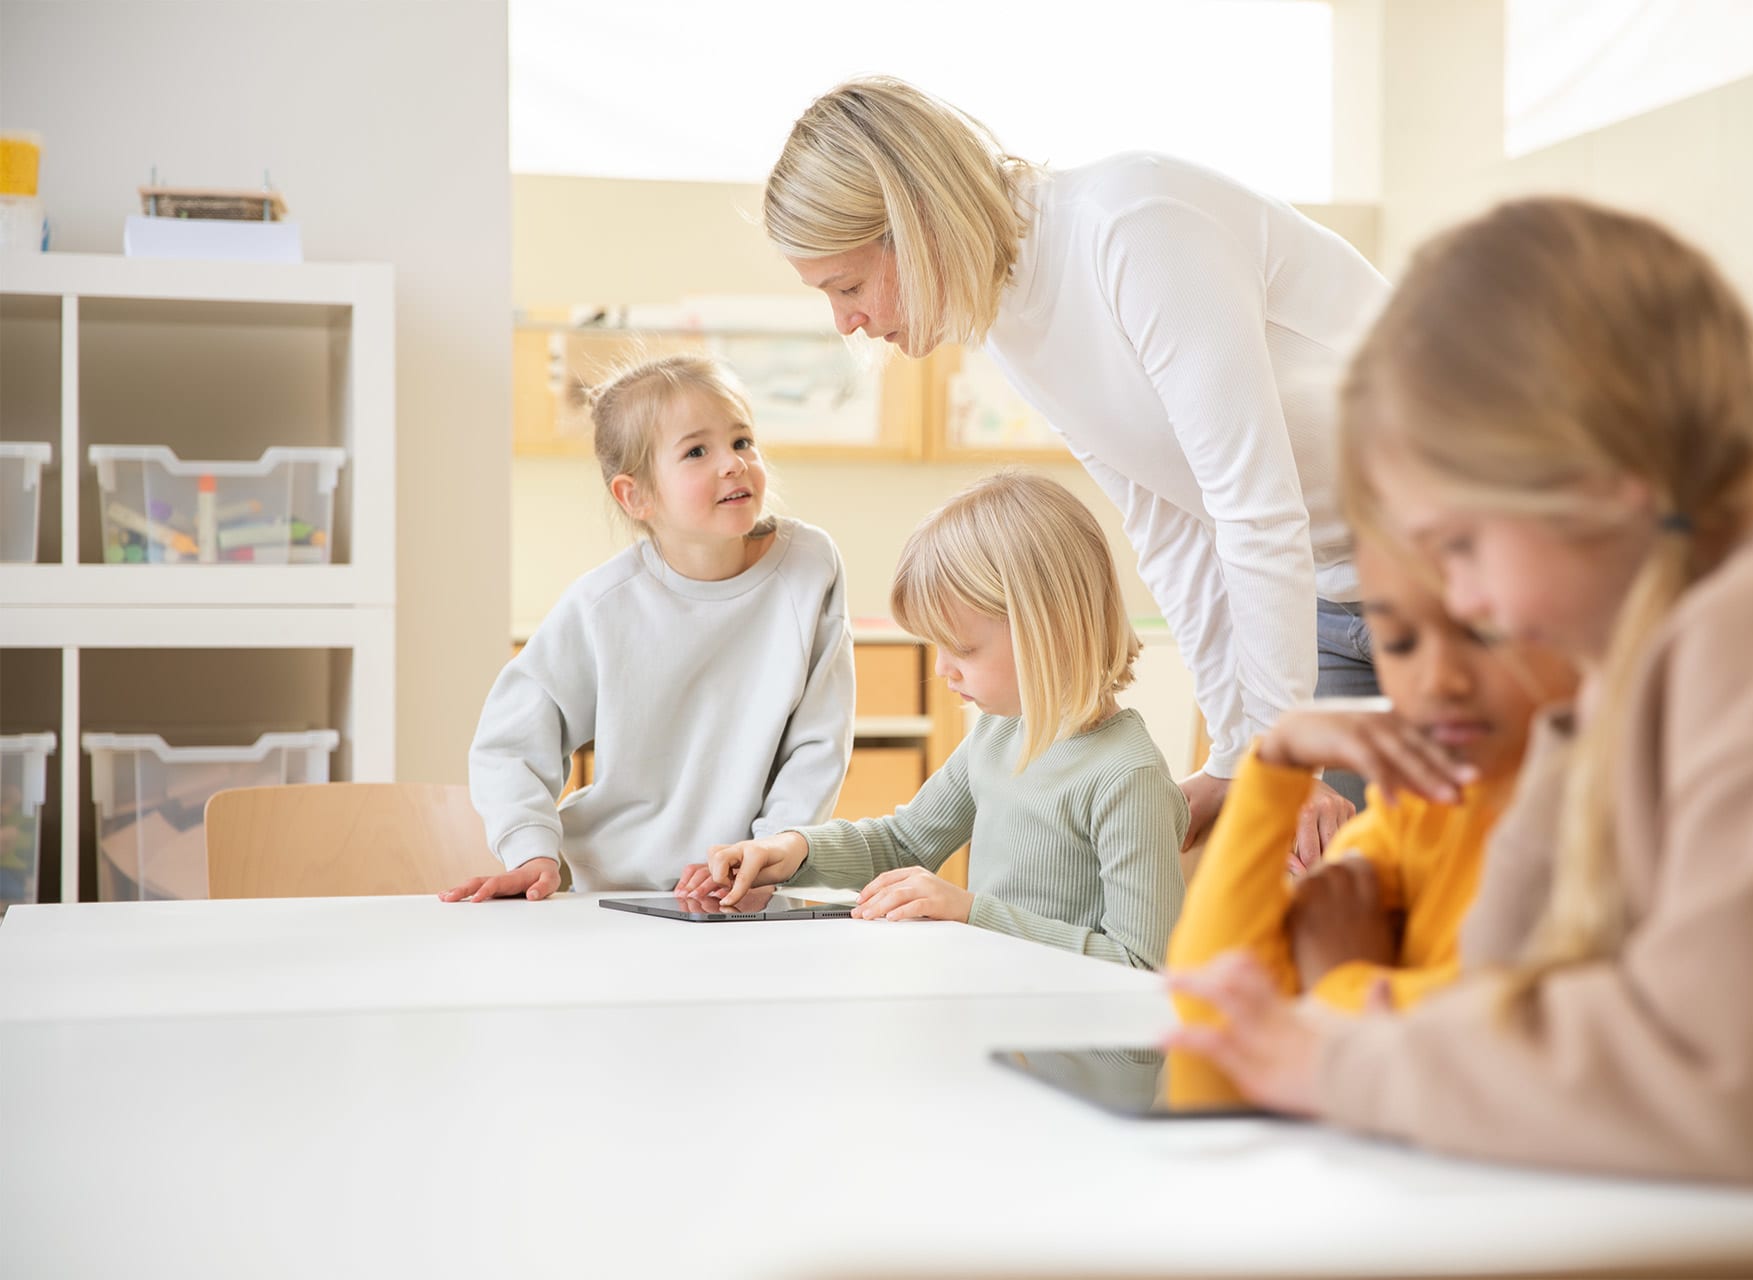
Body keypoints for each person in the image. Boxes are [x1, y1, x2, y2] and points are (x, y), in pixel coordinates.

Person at [1167, 196, 1753, 1182]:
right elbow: (1512, 972)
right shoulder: (1647, 667)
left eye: (1464, 546)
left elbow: (1733, 1078)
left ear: (1609, 479)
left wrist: (1344, 1048)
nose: (1468, 596)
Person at [763, 76, 1391, 866]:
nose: (845, 321)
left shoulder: (1134, 226)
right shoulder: (1006, 322)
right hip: (1336, 599)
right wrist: (1238, 753)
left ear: (918, 223)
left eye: (847, 286)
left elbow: (1253, 508)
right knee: (1324, 900)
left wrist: (1276, 758)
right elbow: (1170, 526)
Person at [698, 471, 1187, 968]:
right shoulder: (999, 735)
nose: (941, 668)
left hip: (1070, 1042)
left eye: (962, 648)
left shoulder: (1127, 778)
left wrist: (972, 914)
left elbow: (1143, 967)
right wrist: (795, 850)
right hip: (999, 1018)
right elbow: (905, 841)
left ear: (1048, 630)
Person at [1164, 534, 1577, 1103]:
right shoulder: (1418, 810)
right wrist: (1276, 763)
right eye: (1400, 642)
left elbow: (1501, 1063)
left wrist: (1340, 980)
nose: (1437, 682)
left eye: (1484, 634)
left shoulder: (1590, 821)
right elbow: (1210, 1034)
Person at [446, 353, 854, 901]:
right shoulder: (603, 605)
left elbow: (818, 742)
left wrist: (769, 852)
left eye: (741, 441)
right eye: (695, 451)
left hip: (748, 891)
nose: (732, 464)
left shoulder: (810, 566)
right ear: (634, 495)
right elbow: (511, 737)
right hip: (611, 891)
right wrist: (532, 849)